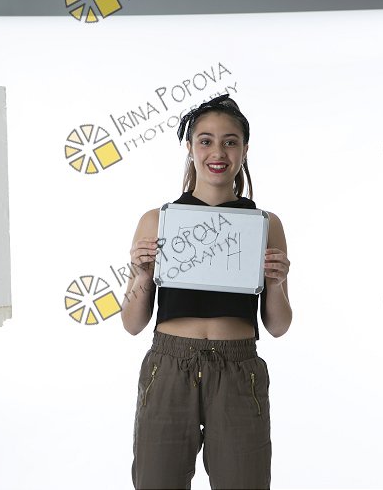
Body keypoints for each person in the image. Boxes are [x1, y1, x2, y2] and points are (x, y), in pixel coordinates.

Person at [121, 94, 292, 489]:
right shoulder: (158, 220)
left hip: (238, 368)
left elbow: (279, 325)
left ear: (244, 149)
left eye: (230, 142)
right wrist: (142, 274)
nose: (218, 152)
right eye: (206, 140)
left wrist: (277, 281)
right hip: (169, 365)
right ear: (190, 147)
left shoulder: (265, 224)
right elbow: (131, 323)